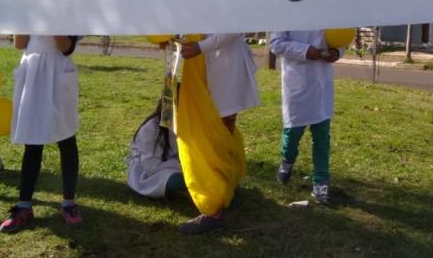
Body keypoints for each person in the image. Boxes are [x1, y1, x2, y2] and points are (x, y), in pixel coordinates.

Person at [176, 34, 259, 234]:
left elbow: (234, 25)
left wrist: (201, 46)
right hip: (202, 67)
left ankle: (214, 210)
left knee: (216, 135)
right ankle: (224, 188)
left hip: (224, 69)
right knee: (214, 133)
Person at [0, 35, 82, 233]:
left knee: (66, 138)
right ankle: (24, 206)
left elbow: (66, 47)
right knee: (33, 141)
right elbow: (19, 43)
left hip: (57, 72)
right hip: (33, 73)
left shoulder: (67, 9)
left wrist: (50, 21)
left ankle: (69, 202)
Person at [269, 30, 341, 205]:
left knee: (322, 137)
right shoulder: (288, 10)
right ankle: (287, 160)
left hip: (321, 82)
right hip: (297, 82)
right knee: (293, 132)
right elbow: (276, 44)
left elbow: (340, 39)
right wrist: (306, 51)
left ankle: (321, 182)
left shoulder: (329, 11)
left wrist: (337, 52)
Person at [127, 100, 185, 199]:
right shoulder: (151, 128)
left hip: (172, 166)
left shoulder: (184, 124)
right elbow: (151, 166)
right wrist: (183, 167)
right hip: (149, 173)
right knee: (180, 180)